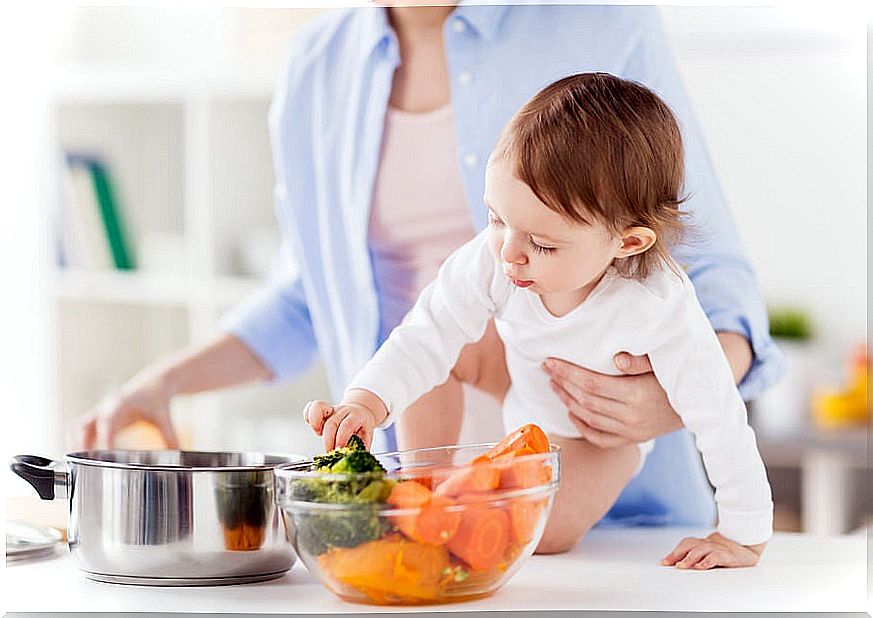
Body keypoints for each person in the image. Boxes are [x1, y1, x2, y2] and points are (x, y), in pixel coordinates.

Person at [74, 4, 783, 533]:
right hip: (413, 477)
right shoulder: (316, 63)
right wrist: (160, 385)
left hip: (606, 487)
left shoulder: (597, 20)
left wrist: (676, 395)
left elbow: (708, 270)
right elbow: (309, 294)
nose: (509, 250)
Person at [306, 72, 773, 568]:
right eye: (496, 218)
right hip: (523, 379)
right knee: (440, 343)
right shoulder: (500, 255)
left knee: (541, 535)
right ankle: (424, 492)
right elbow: (425, 334)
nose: (509, 252)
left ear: (627, 243)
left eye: (543, 244)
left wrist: (741, 535)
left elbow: (719, 414)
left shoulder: (656, 304)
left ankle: (468, 507)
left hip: (591, 434)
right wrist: (366, 401)